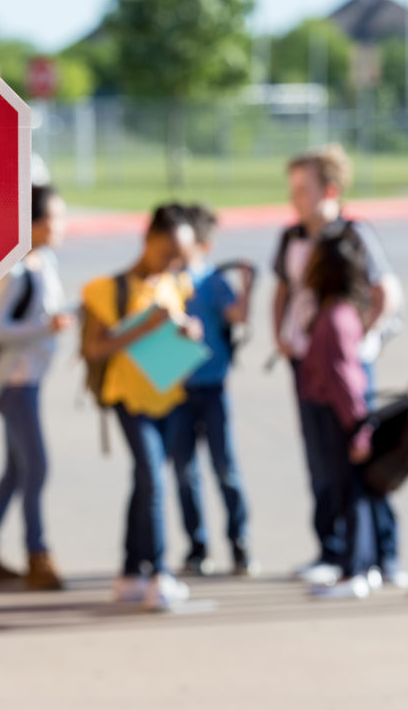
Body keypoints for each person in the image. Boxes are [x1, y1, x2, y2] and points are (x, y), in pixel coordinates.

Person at [271, 144, 407, 588]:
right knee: (322, 460)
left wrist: (359, 339)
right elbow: (283, 290)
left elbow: (386, 291)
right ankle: (334, 549)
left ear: (329, 189)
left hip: (343, 360)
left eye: (303, 189)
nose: (295, 198)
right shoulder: (292, 237)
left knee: (360, 456)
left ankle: (379, 554)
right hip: (307, 358)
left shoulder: (352, 235)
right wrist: (282, 334)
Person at [81, 203, 200, 611]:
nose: (172, 262)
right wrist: (142, 330)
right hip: (128, 397)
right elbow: (94, 349)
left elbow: (185, 325)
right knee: (153, 477)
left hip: (168, 393)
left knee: (146, 481)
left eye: (179, 257)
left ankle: (131, 570)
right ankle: (160, 572)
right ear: (148, 240)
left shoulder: (177, 283)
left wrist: (188, 329)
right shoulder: (109, 289)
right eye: (167, 252)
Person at [0, 184, 76, 590]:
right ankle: (37, 554)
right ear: (32, 223)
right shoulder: (11, 271)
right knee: (36, 467)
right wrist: (45, 327)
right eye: (54, 218)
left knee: (15, 471)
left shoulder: (42, 262)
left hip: (30, 377)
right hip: (14, 382)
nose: (61, 225)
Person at [166, 205, 254, 576]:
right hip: (177, 389)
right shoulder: (165, 281)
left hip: (213, 386)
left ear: (202, 244)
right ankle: (197, 545)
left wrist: (248, 285)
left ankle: (239, 541)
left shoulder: (213, 281)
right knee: (184, 472)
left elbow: (237, 315)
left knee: (225, 468)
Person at [299, 233, 377, 599]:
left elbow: (345, 379)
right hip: (337, 415)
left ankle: (354, 571)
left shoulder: (335, 318)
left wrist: (358, 431)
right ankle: (360, 566)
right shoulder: (336, 311)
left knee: (350, 494)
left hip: (339, 418)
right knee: (348, 492)